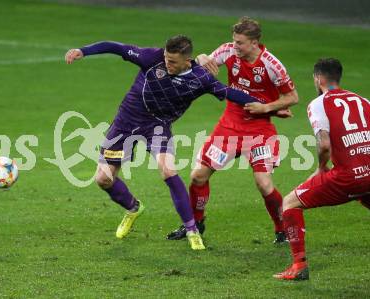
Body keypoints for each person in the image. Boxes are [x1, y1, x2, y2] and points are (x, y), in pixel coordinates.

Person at [65, 35, 260, 250]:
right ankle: (133, 207)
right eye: (167, 58)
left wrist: (270, 106)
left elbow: (231, 93)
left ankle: (192, 230)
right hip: (126, 121)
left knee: (168, 170)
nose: (167, 63)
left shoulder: (200, 78)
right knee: (103, 179)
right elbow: (116, 47)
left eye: (173, 61)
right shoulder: (151, 57)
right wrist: (83, 51)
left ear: (187, 61)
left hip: (157, 126)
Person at [166, 17, 299, 243]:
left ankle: (281, 228)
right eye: (234, 41)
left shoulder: (272, 65)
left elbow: (292, 97)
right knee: (198, 175)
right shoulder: (229, 52)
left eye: (240, 43)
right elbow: (202, 62)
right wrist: (201, 58)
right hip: (229, 126)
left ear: (254, 43)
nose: (235, 46)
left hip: (259, 131)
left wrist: (267, 107)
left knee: (264, 184)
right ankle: (195, 224)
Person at [274, 58, 370, 280]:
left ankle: (299, 266)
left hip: (347, 177)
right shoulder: (363, 101)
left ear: (318, 79)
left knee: (289, 203)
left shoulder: (318, 104)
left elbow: (324, 144)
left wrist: (321, 167)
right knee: (364, 195)